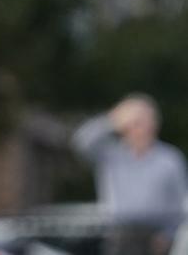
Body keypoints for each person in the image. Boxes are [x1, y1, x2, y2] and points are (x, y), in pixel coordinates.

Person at [72, 93, 187, 255]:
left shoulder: (169, 159)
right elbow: (81, 142)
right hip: (120, 234)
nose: (139, 127)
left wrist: (169, 233)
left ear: (154, 124)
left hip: (157, 236)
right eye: (134, 121)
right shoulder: (110, 154)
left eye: (143, 121)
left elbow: (180, 202)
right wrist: (111, 119)